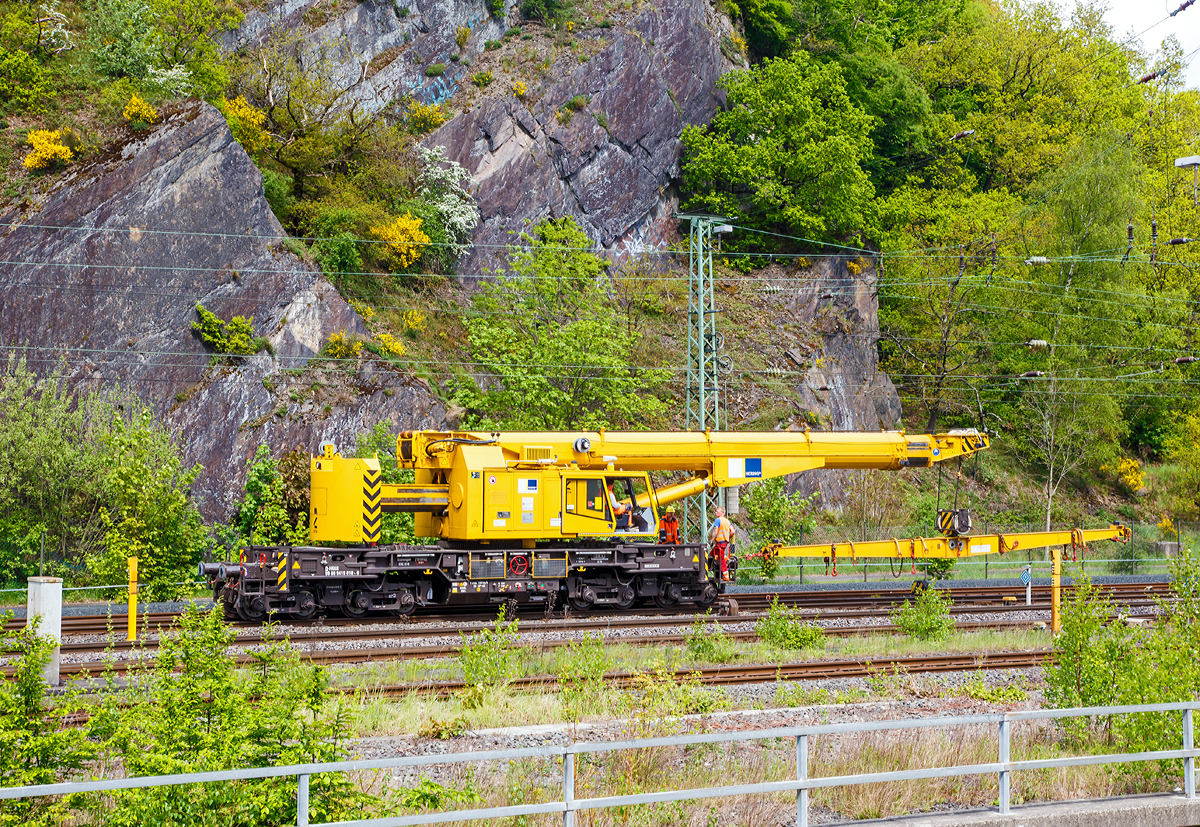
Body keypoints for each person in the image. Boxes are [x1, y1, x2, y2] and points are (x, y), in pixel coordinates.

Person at [709, 507, 735, 581]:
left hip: (719, 543)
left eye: (717, 512)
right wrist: (728, 538)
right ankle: (727, 559)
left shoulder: (718, 520)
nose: (715, 513)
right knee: (712, 554)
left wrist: (712, 540)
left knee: (720, 558)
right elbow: (732, 531)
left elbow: (715, 531)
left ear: (722, 513)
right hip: (725, 542)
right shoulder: (727, 521)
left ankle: (726, 575)